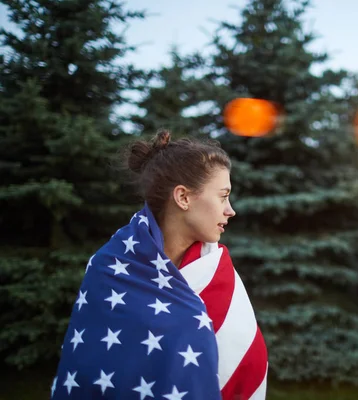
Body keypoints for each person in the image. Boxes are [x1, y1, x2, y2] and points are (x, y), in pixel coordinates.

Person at [52, 130, 268, 400]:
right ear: (183, 198)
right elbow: (87, 367)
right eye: (223, 196)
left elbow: (245, 367)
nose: (230, 210)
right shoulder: (108, 268)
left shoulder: (218, 274)